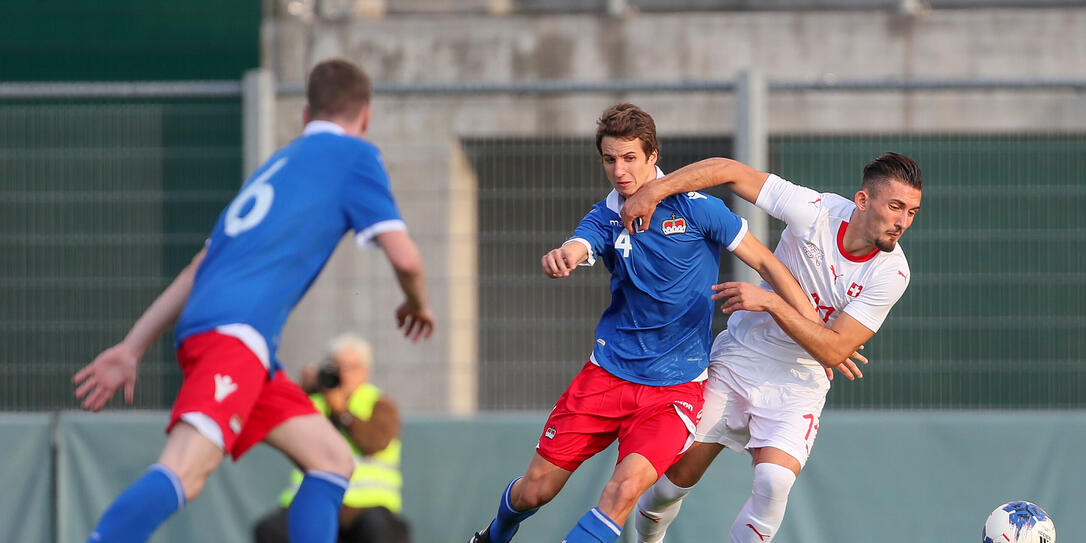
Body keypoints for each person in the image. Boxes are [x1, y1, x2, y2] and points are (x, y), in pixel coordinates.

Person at [72, 58, 435, 543]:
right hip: (235, 338)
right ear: (364, 117)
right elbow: (407, 260)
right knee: (185, 469)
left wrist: (132, 346)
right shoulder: (355, 156)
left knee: (331, 461)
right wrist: (417, 303)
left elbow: (197, 269)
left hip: (237, 342)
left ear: (306, 117)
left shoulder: (276, 169)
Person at [467, 103, 821, 543]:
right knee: (535, 491)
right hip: (606, 376)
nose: (619, 170)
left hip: (673, 391)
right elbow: (581, 244)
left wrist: (815, 332)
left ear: (653, 156)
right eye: (610, 159)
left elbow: (767, 261)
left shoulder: (699, 209)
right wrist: (565, 256)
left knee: (623, 492)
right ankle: (496, 532)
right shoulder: (604, 216)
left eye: (630, 158)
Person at [625, 152, 922, 543]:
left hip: (800, 381)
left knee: (774, 480)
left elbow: (832, 352)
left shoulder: (893, 272)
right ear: (863, 201)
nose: (902, 222)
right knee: (671, 483)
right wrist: (657, 189)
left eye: (913, 212)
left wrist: (771, 301)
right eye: (895, 207)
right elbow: (731, 172)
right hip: (741, 357)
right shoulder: (814, 211)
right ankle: (649, 537)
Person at [254, 333, 410, 543]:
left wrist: (342, 412)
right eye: (338, 367)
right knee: (270, 530)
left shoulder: (379, 404)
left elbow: (374, 442)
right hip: (316, 499)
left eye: (352, 368)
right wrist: (301, 390)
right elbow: (277, 420)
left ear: (365, 371)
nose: (344, 375)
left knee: (380, 531)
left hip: (365, 506)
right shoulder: (312, 402)